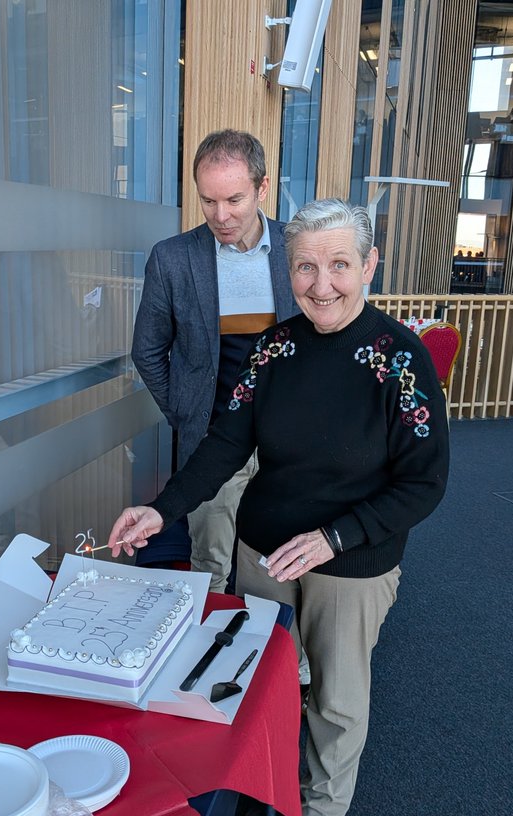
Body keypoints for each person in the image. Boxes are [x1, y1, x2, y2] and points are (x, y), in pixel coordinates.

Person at [109, 199, 450, 816]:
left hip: (353, 564)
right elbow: (223, 445)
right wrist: (164, 508)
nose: (322, 284)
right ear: (287, 271)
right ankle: (267, 791)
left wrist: (335, 537)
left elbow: (424, 483)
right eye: (305, 268)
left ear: (370, 265)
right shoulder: (273, 349)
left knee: (335, 694)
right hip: (263, 551)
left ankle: (320, 804)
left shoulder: (401, 359)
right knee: (263, 684)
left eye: (340, 266)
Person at [131, 129, 299, 593]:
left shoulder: (298, 251)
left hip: (286, 443)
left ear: (263, 188)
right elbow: (146, 350)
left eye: (234, 200)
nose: (220, 216)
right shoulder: (172, 259)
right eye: (208, 201)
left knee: (280, 563)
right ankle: (207, 659)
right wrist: (186, 412)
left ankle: (281, 662)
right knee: (210, 565)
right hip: (212, 442)